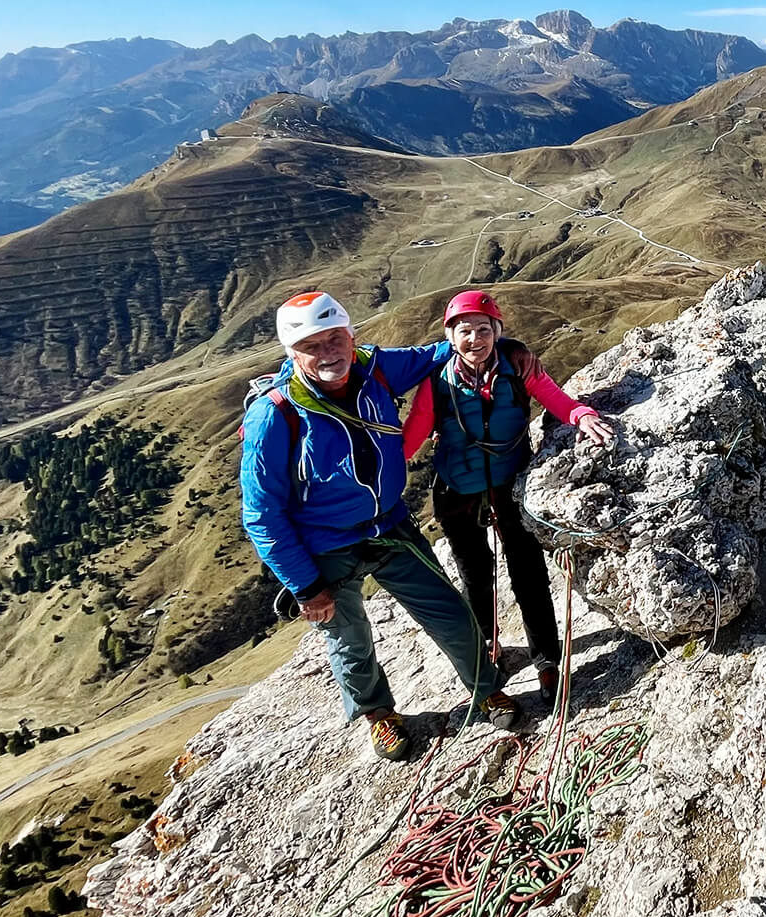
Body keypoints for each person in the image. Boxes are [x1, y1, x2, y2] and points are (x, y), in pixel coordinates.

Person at [239, 290, 523, 761]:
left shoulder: (375, 367)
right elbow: (262, 513)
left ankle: (486, 688)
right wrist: (306, 587)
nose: (329, 352)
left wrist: (501, 348)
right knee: (348, 638)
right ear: (292, 354)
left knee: (449, 612)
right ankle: (378, 715)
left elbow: (441, 351)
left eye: (335, 338)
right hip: (324, 545)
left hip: (390, 526)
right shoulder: (276, 414)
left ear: (352, 337)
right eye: (313, 345)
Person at [402, 289, 614, 698]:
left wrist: (580, 414)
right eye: (465, 331)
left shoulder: (517, 365)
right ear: (450, 336)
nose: (475, 339)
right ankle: (487, 646)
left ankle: (547, 661)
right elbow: (414, 433)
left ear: (497, 332)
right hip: (456, 490)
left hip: (508, 483)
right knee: (475, 575)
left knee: (528, 572)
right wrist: (382, 481)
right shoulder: (436, 381)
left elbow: (553, 397)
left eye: (484, 329)